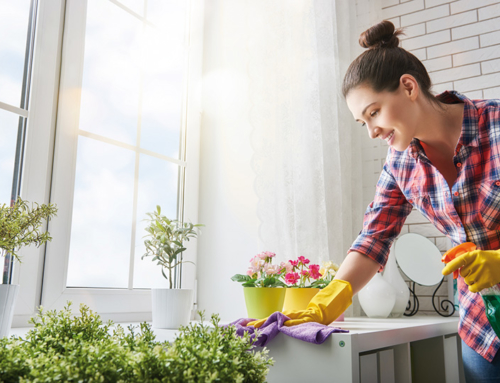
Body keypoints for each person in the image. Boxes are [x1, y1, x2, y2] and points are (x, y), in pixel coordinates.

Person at [248, 20, 500, 382]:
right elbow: (374, 238)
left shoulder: (496, 124)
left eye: (374, 112)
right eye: (361, 122)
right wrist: (328, 300)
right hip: (483, 331)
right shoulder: (400, 164)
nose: (372, 131)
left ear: (408, 87)